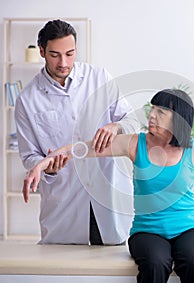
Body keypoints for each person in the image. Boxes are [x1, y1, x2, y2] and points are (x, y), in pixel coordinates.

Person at [23, 89, 194, 283]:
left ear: (177, 119)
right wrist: (44, 161)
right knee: (156, 264)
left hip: (189, 228)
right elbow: (86, 149)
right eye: (152, 109)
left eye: (161, 111)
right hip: (146, 232)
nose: (151, 115)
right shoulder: (135, 143)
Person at [15, 19, 139, 245]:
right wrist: (48, 169)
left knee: (114, 272)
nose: (64, 62)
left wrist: (116, 126)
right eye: (55, 55)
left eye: (70, 54)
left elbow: (132, 121)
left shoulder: (99, 78)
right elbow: (28, 155)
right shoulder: (27, 99)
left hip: (108, 197)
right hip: (64, 207)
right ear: (42, 51)